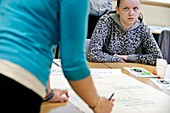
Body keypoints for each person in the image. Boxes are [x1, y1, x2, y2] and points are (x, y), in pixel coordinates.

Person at [0, 0, 114, 113]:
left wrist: (48, 93)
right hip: (17, 81)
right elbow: (73, 65)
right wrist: (97, 103)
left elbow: (35, 37)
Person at [87, 0, 163, 66]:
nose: (131, 13)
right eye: (126, 9)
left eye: (135, 9)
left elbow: (158, 58)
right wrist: (118, 59)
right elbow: (93, 53)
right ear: (117, 9)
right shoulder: (106, 22)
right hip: (104, 67)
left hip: (126, 69)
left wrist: (128, 57)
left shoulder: (142, 27)